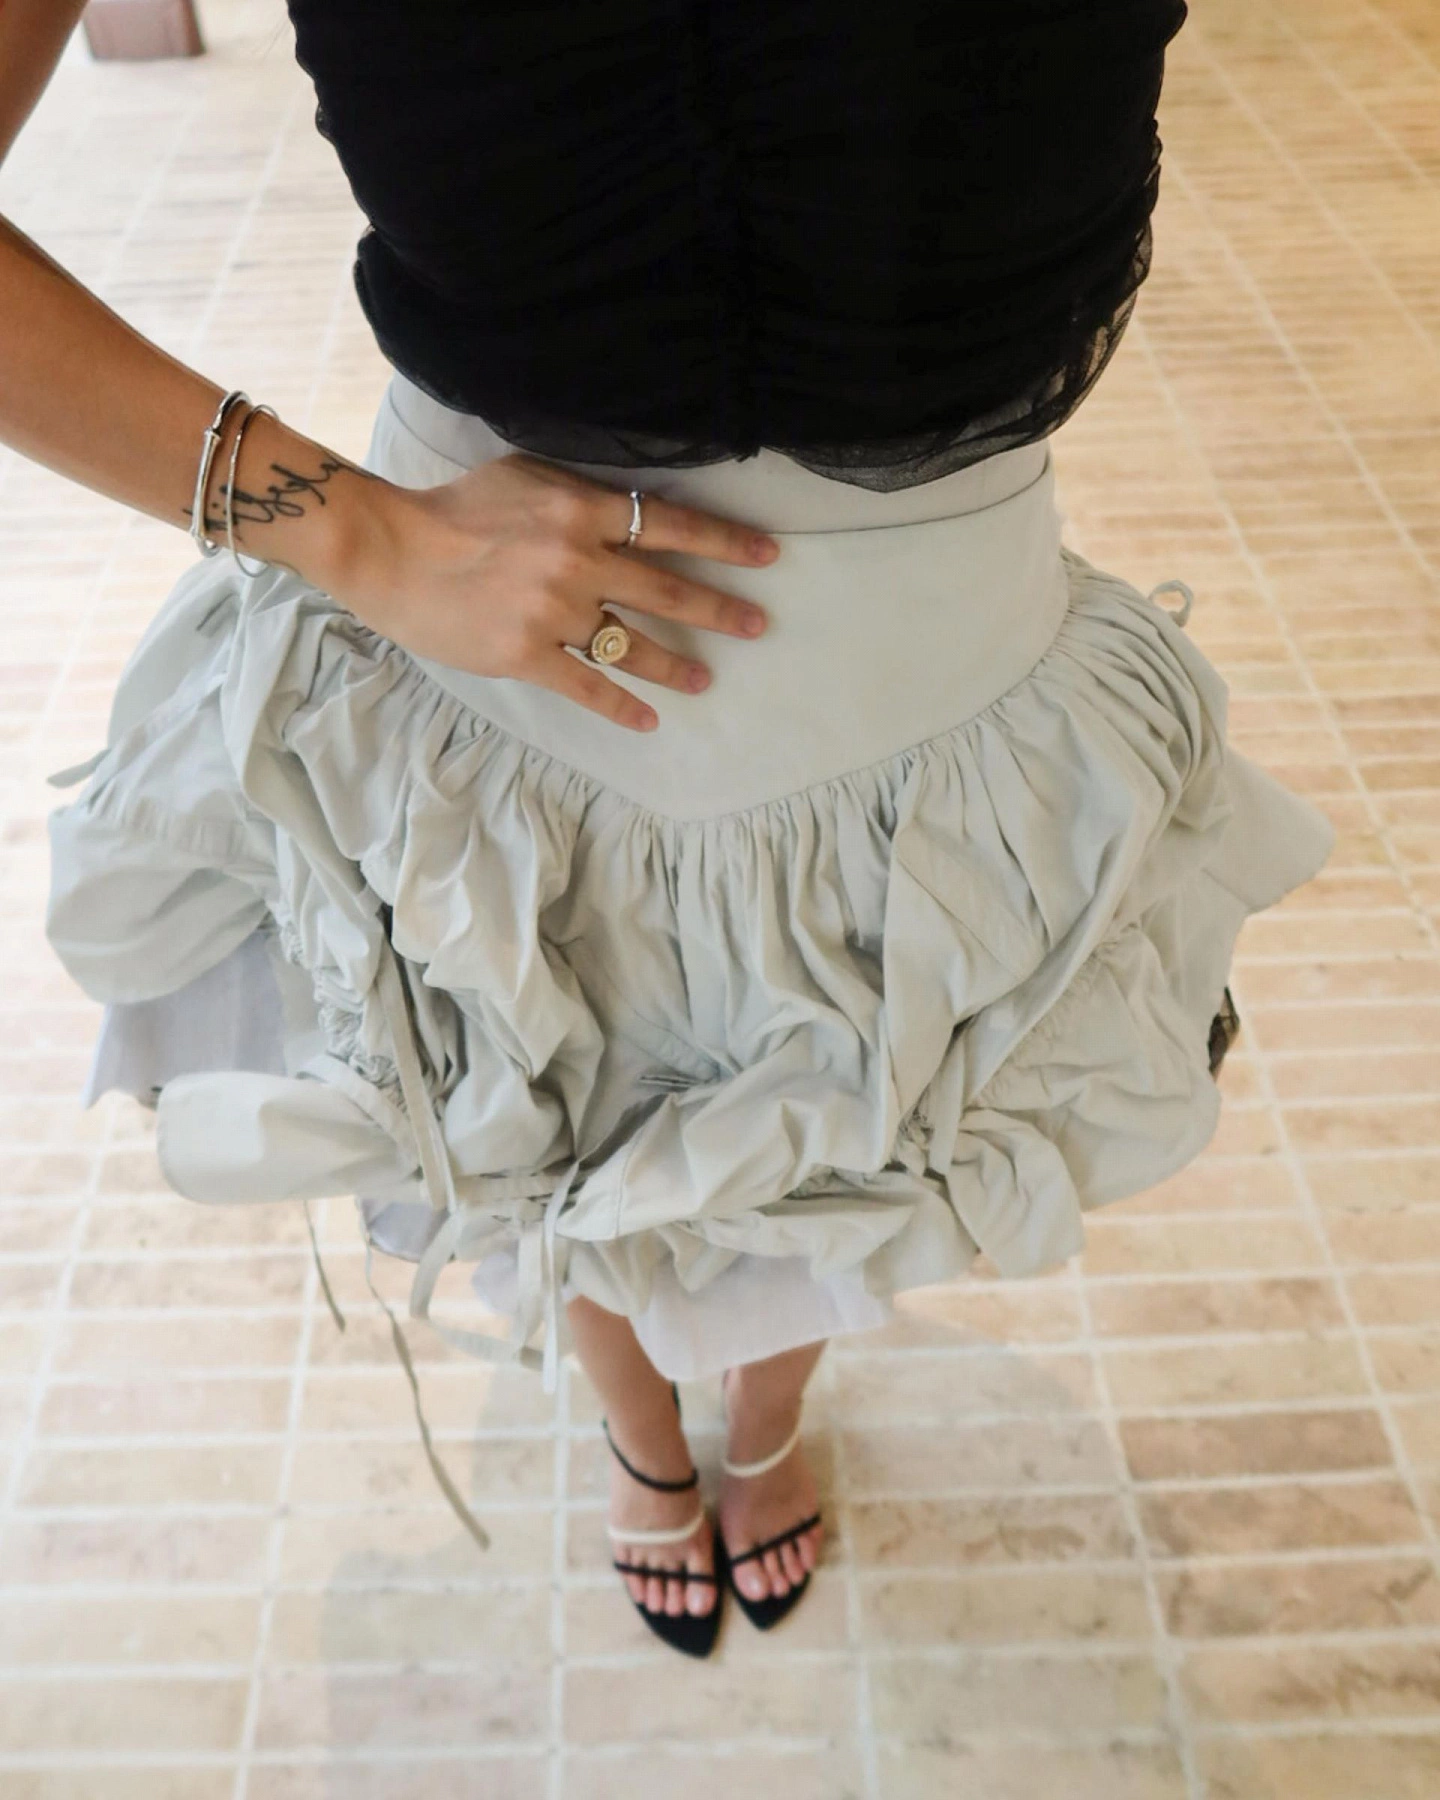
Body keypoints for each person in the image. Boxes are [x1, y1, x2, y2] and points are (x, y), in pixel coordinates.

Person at [4, 0, 1335, 1661]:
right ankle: (645, 1437)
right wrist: (348, 532)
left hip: (941, 700)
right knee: (537, 1117)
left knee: (857, 1138)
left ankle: (764, 1422)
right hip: (499, 678)